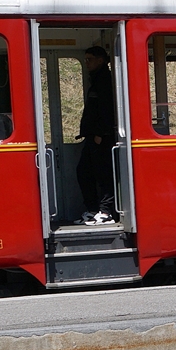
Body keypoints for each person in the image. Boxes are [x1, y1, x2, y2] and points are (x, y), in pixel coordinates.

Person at [75, 45, 119, 224]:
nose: (86, 63)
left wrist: (101, 133)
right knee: (84, 172)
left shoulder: (105, 80)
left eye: (89, 59)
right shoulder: (95, 79)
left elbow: (108, 109)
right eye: (85, 59)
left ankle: (106, 211)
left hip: (101, 137)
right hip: (92, 136)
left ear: (101, 60)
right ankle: (92, 210)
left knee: (104, 174)